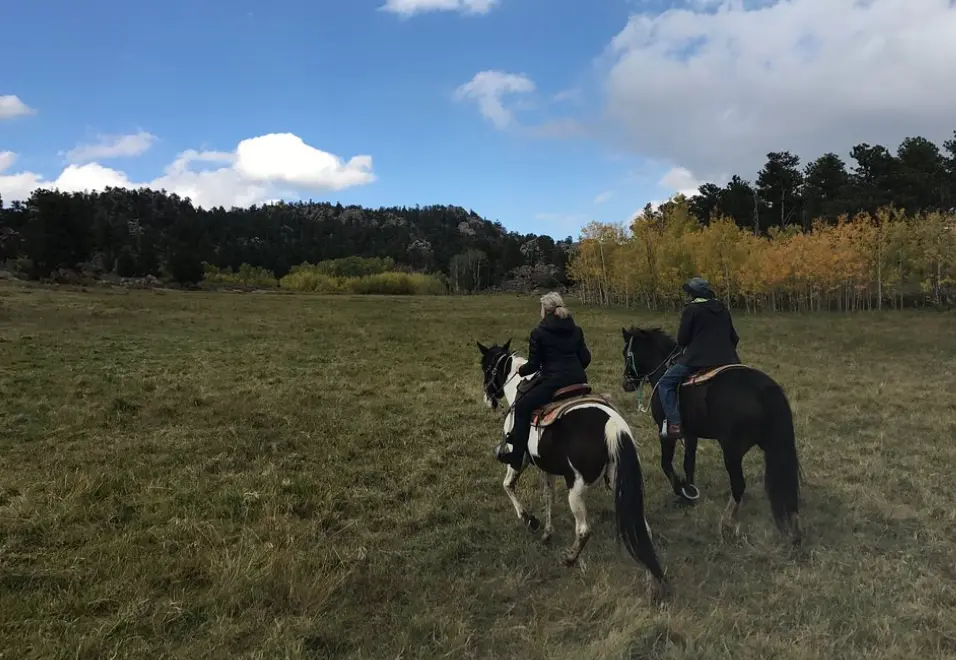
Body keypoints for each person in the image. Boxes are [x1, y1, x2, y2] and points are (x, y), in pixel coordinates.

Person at [494, 291, 592, 469]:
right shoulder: (576, 330)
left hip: (553, 384)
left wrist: (520, 369)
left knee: (522, 406)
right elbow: (585, 359)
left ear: (544, 310)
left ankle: (516, 457)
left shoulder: (538, 332)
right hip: (579, 381)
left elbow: (533, 365)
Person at [658, 277, 741, 441]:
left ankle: (674, 424)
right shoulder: (722, 308)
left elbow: (682, 340)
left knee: (665, 383)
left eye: (689, 293)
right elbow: (734, 338)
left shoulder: (692, 310)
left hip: (698, 360)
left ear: (693, 294)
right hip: (729, 360)